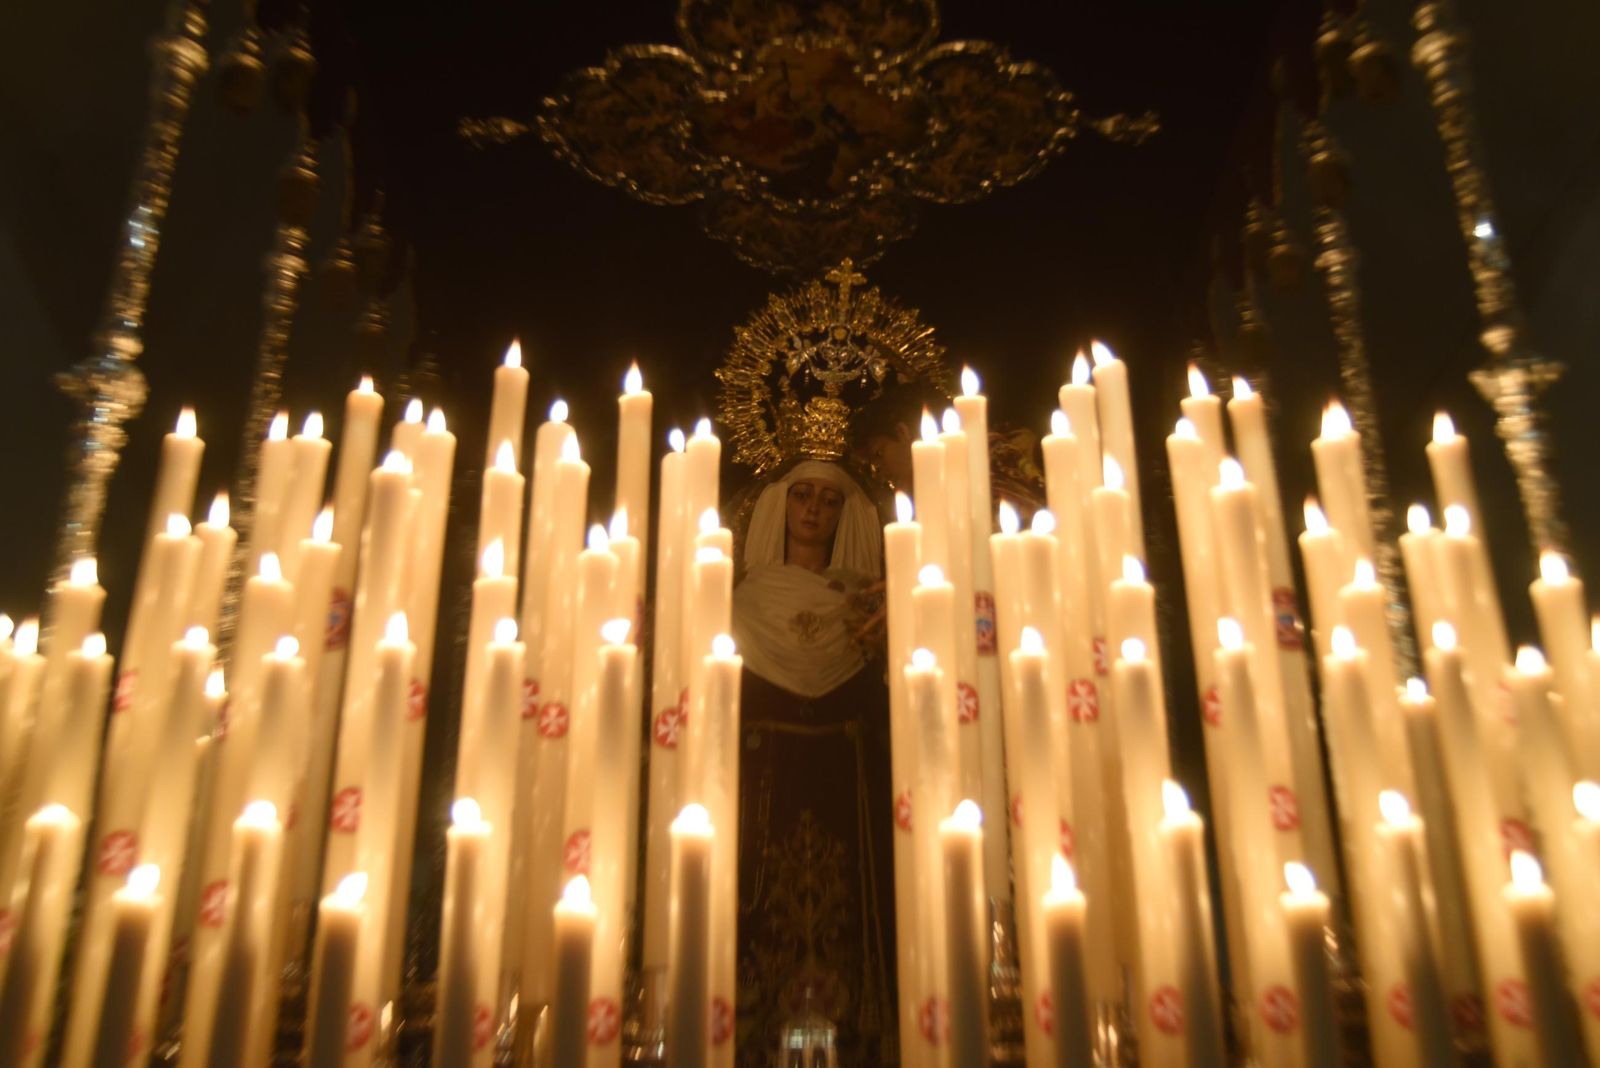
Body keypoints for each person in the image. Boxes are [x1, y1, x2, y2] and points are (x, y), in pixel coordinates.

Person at [730, 459, 898, 1065]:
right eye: (802, 496)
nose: (813, 511)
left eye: (829, 501)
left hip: (847, 787)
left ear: (845, 513)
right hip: (764, 786)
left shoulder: (868, 605)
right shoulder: (748, 601)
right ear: (782, 505)